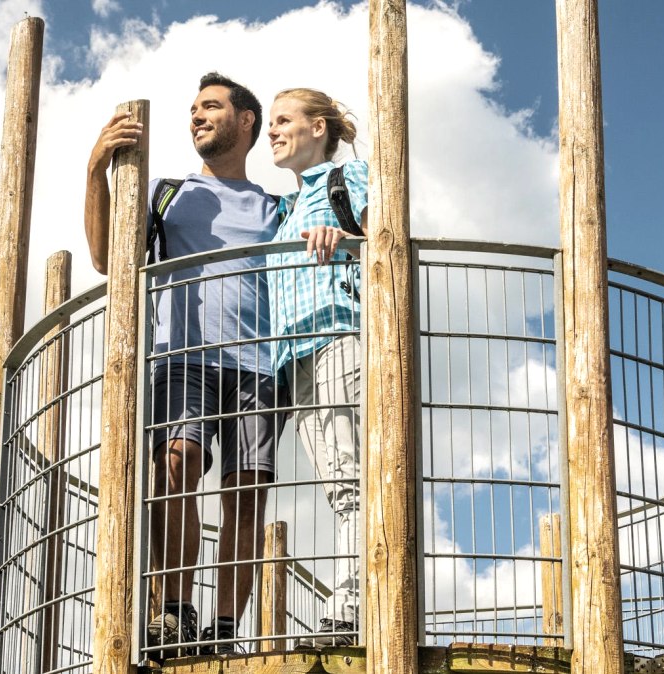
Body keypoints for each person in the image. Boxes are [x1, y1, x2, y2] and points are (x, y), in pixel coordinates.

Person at [83, 72, 284, 657]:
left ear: (246, 121)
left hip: (259, 367)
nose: (197, 115)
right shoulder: (168, 193)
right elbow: (104, 258)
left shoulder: (278, 205)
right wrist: (96, 169)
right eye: (193, 109)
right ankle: (174, 613)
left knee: (246, 495)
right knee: (176, 466)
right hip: (183, 357)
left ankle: (224, 631)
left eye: (211, 107)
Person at [263, 87, 367, 648]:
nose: (273, 131)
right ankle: (352, 601)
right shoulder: (285, 207)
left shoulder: (350, 179)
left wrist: (346, 239)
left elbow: (391, 245)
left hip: (340, 337)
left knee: (352, 480)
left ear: (319, 128)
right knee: (337, 485)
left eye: (284, 120)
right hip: (295, 357)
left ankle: (351, 608)